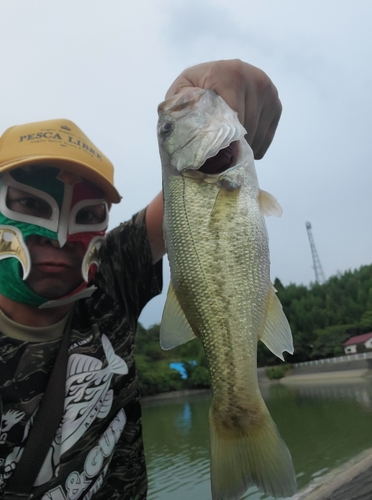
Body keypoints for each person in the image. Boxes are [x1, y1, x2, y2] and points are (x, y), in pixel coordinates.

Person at [0, 59, 282, 500]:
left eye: (87, 215)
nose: (59, 237)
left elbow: (190, 192)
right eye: (31, 205)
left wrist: (210, 83)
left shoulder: (109, 277)